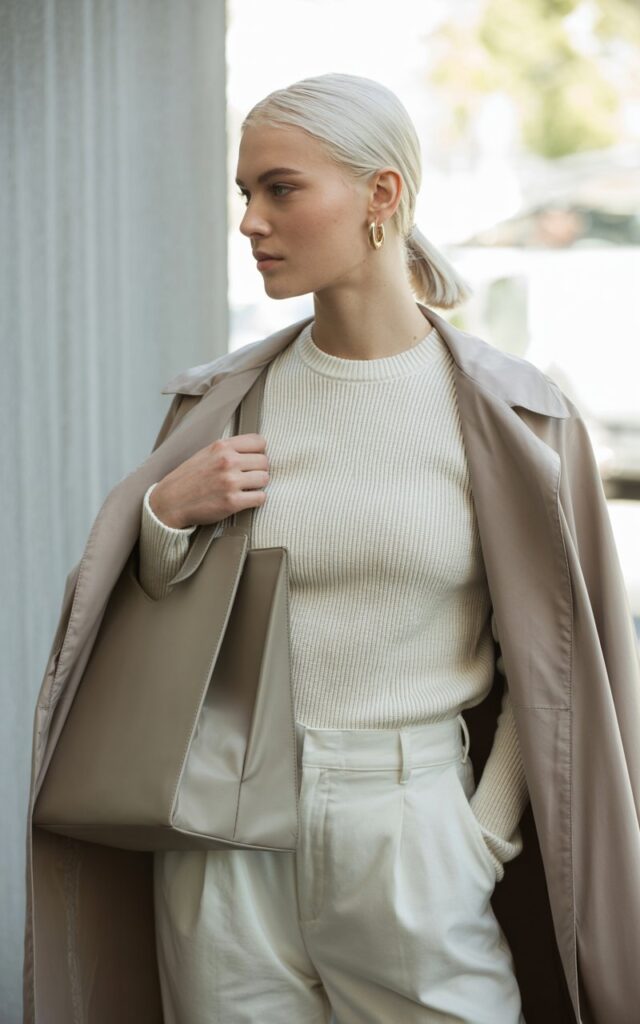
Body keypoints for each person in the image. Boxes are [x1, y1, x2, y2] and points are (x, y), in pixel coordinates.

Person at [136, 72, 529, 1024]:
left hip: (410, 819)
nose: (251, 222)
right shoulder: (223, 400)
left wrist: (484, 832)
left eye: (281, 188)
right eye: (245, 194)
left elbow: (561, 653)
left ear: (381, 196)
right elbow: (150, 616)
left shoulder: (502, 413)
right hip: (224, 829)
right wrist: (165, 515)